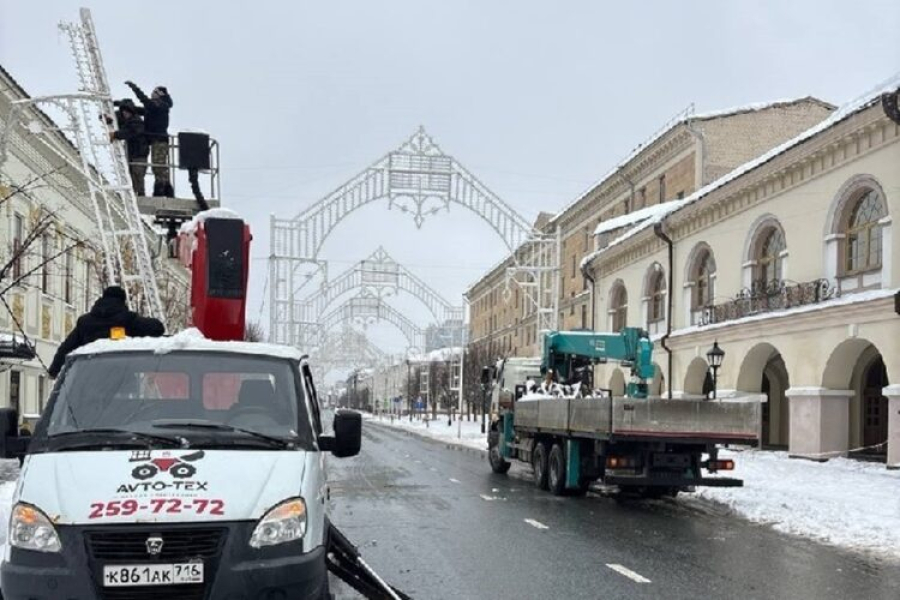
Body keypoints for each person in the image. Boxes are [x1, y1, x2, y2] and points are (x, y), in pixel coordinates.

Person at [48, 286, 165, 377]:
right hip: (122, 378)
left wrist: (54, 370)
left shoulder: (85, 322)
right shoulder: (128, 320)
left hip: (90, 377)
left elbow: (66, 348)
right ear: (122, 301)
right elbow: (157, 328)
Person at [125, 80, 173, 197]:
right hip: (155, 140)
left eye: (155, 92)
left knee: (159, 167)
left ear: (160, 94)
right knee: (158, 166)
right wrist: (123, 106)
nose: (152, 94)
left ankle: (161, 190)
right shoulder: (155, 107)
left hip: (159, 140)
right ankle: (163, 189)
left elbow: (145, 102)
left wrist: (135, 88)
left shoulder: (161, 105)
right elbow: (140, 110)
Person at [107, 99, 149, 196]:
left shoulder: (136, 121)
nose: (125, 113)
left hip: (139, 153)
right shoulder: (128, 120)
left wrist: (115, 134)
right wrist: (107, 117)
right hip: (132, 153)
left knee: (137, 174)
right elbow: (116, 117)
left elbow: (130, 132)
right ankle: (134, 193)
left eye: (127, 111)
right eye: (123, 111)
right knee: (131, 174)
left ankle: (140, 194)